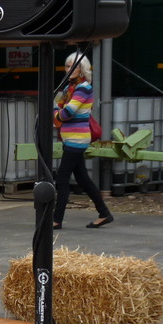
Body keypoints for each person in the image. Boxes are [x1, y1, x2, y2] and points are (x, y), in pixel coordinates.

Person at [53, 52, 113, 230]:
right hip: (71, 138)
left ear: (82, 69)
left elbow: (66, 113)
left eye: (74, 66)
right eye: (67, 66)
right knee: (83, 179)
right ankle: (104, 213)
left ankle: (56, 220)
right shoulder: (69, 88)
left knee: (62, 178)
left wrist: (56, 113)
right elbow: (59, 113)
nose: (69, 69)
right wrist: (58, 113)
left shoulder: (83, 88)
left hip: (76, 140)